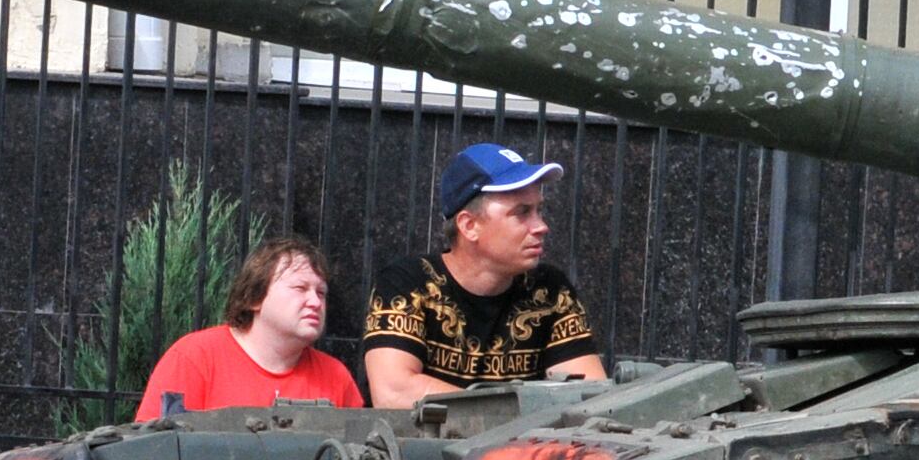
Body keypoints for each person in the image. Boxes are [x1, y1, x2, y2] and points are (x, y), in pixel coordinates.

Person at [359, 146, 605, 406]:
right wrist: (509, 417)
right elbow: (394, 393)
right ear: (469, 226)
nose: (541, 226)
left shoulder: (550, 290)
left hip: (521, 445)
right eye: (522, 212)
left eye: (538, 211)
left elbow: (590, 398)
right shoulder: (408, 283)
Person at [140, 236, 362, 416]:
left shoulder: (335, 376)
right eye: (300, 288)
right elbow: (153, 451)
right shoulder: (194, 358)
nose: (315, 302)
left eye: (321, 293)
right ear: (254, 297)